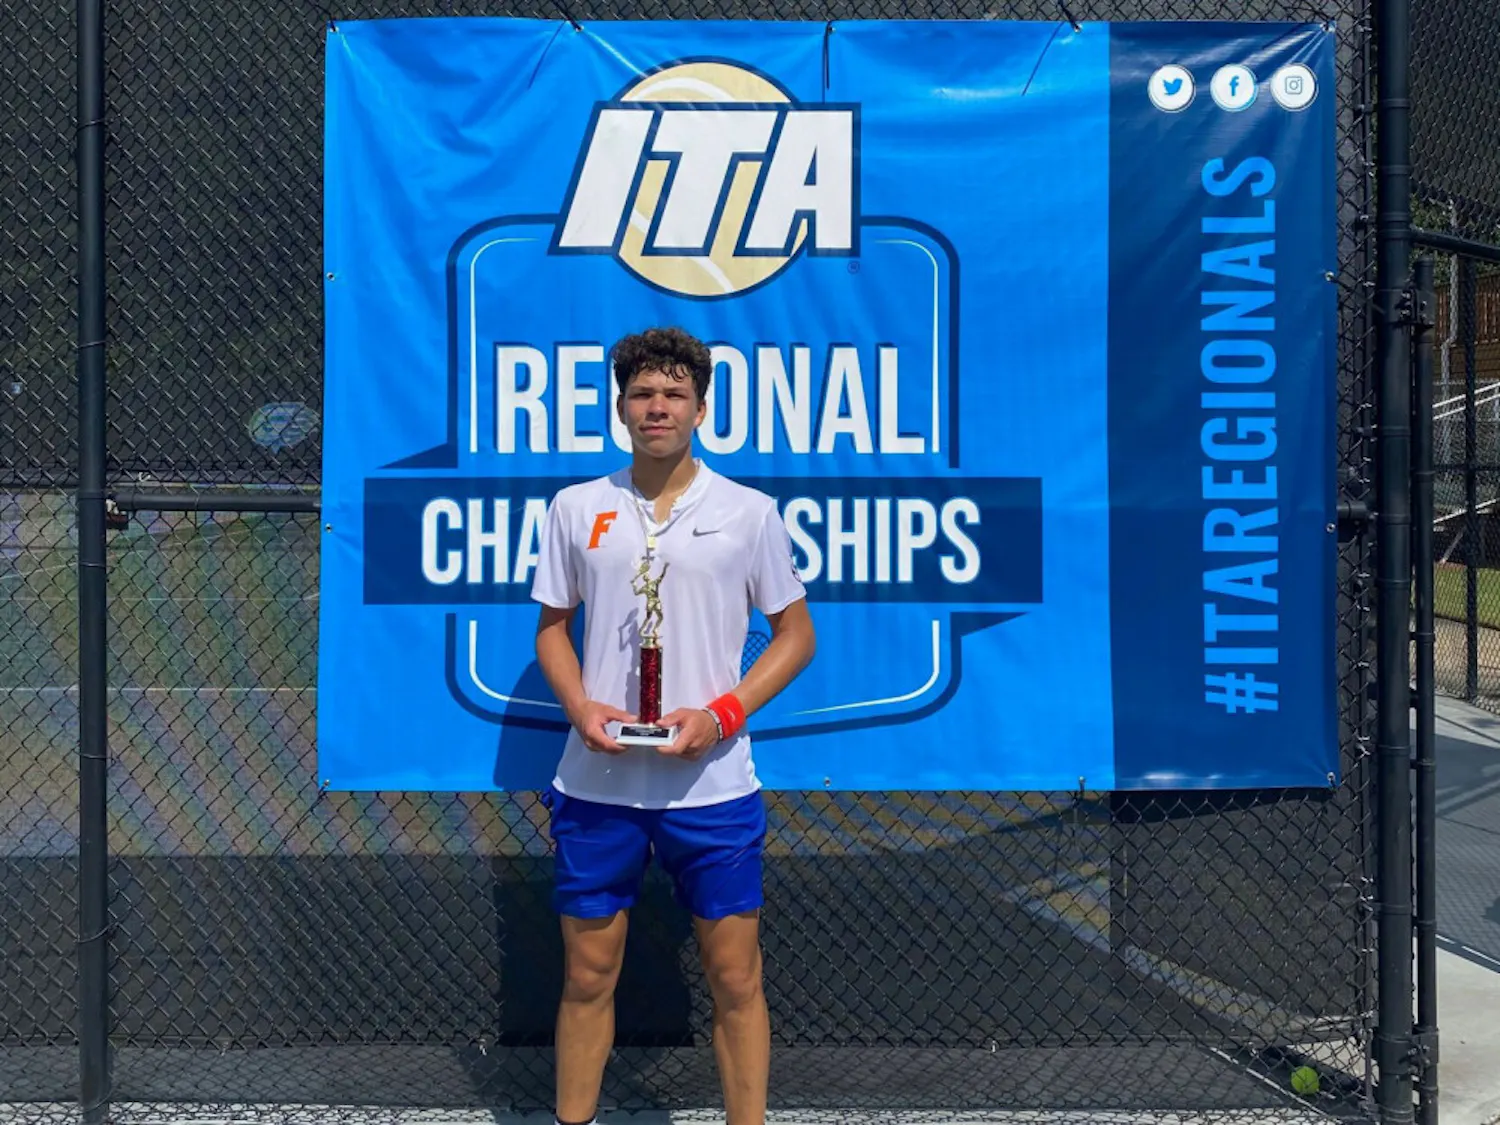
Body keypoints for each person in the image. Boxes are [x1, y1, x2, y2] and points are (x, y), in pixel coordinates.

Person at [529, 326, 817, 1125]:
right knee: (588, 973)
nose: (658, 407)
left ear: (700, 406)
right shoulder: (577, 507)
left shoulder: (748, 513)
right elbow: (552, 628)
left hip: (713, 787)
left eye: (674, 394)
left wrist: (723, 714)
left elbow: (797, 634)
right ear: (620, 406)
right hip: (599, 784)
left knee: (735, 977)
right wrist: (582, 707)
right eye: (643, 394)